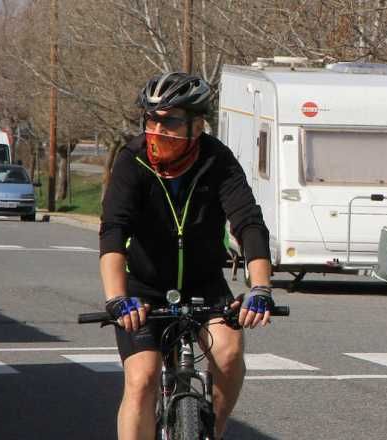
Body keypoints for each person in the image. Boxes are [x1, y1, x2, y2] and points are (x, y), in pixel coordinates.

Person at [99, 72, 275, 440]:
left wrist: (260, 287)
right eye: (151, 119)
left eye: (171, 121)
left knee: (228, 353)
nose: (158, 129)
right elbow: (114, 232)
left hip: (205, 285)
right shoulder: (132, 162)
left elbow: (249, 224)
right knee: (143, 377)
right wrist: (117, 298)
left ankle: (214, 429)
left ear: (197, 126)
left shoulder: (218, 160)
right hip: (143, 291)